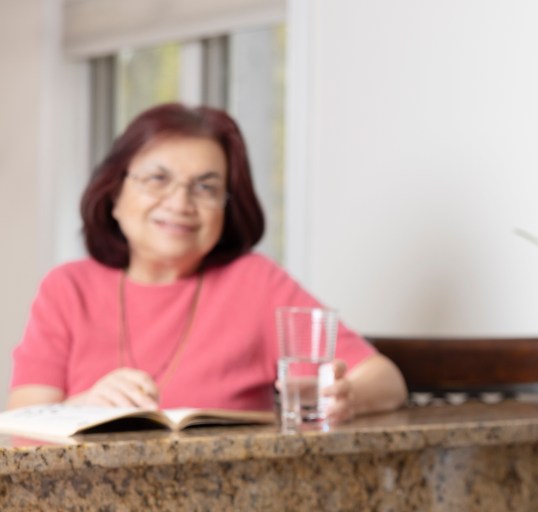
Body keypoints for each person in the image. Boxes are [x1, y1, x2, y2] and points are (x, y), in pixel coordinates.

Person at [8, 103, 407, 423]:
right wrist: (82, 408)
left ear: (226, 207)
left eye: (206, 187)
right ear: (113, 194)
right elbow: (20, 424)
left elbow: (385, 379)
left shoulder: (254, 281)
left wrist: (347, 397)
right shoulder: (67, 287)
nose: (181, 203)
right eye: (157, 179)